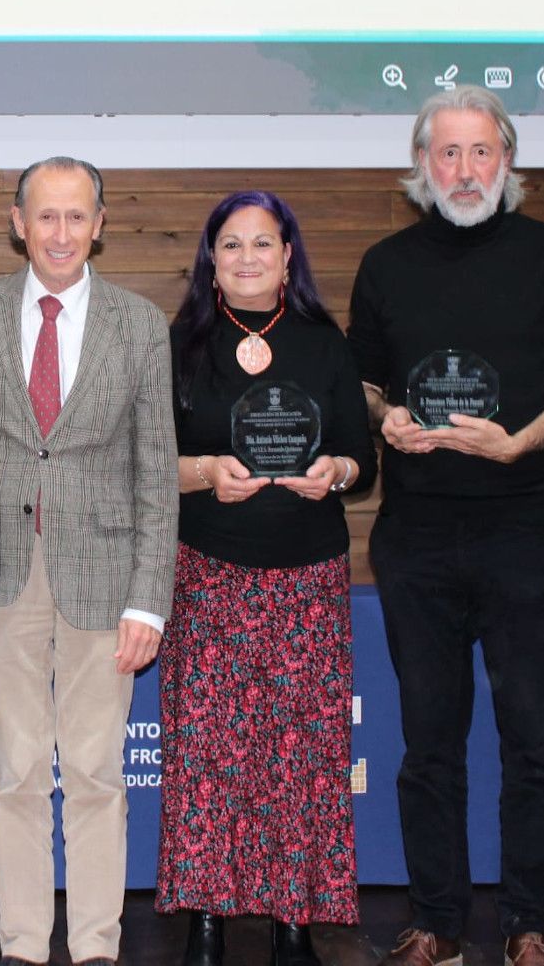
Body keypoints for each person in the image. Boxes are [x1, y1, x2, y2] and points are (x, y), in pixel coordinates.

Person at [347, 86, 544, 966]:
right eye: (446, 153)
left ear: (507, 160)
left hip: (527, 533)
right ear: (422, 165)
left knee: (534, 738)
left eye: (480, 151)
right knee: (428, 745)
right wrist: (384, 421)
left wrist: (518, 442)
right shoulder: (385, 264)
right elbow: (365, 383)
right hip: (416, 540)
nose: (464, 170)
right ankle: (437, 923)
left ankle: (528, 924)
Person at [0, 155, 179, 966]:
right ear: (18, 223)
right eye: (46, 216)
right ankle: (21, 946)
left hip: (106, 580)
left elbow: (157, 470)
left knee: (94, 773)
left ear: (100, 226)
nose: (61, 233)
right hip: (3, 574)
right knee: (14, 773)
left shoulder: (140, 325)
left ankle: (95, 947)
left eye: (78, 217)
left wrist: (150, 600)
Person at [158, 191, 376, 966]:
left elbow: (362, 457)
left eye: (264, 243)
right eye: (231, 244)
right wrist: (203, 471)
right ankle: (206, 923)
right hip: (208, 571)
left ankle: (295, 923)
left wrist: (338, 470)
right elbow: (150, 462)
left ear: (289, 257)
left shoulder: (325, 343)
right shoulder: (178, 344)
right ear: (210, 261)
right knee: (207, 758)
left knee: (302, 758)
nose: (248, 257)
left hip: (307, 578)